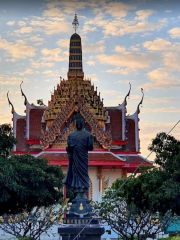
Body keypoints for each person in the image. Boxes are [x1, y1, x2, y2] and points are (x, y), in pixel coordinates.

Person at [63, 115, 94, 199]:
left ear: (83, 123)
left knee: (84, 174)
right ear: (75, 123)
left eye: (80, 122)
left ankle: (83, 194)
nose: (79, 123)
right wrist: (69, 149)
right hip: (75, 159)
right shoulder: (71, 135)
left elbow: (90, 147)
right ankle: (77, 194)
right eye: (77, 122)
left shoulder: (87, 135)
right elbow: (69, 147)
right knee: (76, 174)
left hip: (83, 158)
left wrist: (91, 140)